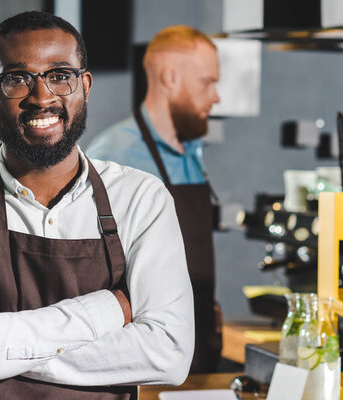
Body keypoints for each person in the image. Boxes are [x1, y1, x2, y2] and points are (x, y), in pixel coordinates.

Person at [0, 11, 194, 400]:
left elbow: (168, 355)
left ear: (84, 85)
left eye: (60, 75)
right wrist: (107, 311)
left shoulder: (141, 198)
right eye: (16, 78)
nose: (42, 97)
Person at [86, 25, 222, 373]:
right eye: (208, 82)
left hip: (198, 334)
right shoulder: (116, 155)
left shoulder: (190, 150)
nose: (217, 96)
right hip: (143, 346)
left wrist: (203, 303)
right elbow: (92, 267)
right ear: (169, 77)